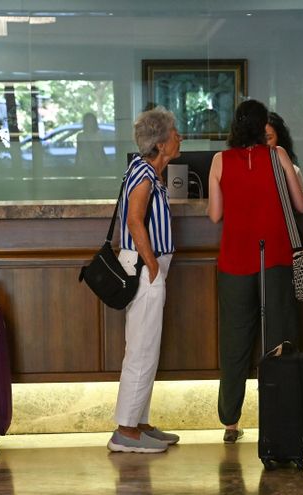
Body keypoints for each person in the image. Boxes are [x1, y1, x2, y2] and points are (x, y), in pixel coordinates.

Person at [208, 100, 303, 443]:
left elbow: (215, 215)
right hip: (275, 258)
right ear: (263, 125)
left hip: (235, 260)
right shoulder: (278, 155)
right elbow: (300, 205)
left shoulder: (220, 161)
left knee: (235, 340)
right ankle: (279, 417)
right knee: (278, 337)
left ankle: (230, 421)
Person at [108, 107, 181, 454]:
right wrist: (152, 264)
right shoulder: (143, 174)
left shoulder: (149, 172)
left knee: (147, 347)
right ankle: (125, 430)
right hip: (143, 268)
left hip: (147, 268)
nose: (180, 137)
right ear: (162, 143)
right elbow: (135, 220)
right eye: (175, 133)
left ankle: (139, 422)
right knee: (141, 349)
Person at [265, 112, 303, 193]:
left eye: (269, 138)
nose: (264, 143)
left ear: (279, 138)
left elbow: (301, 205)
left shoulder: (293, 171)